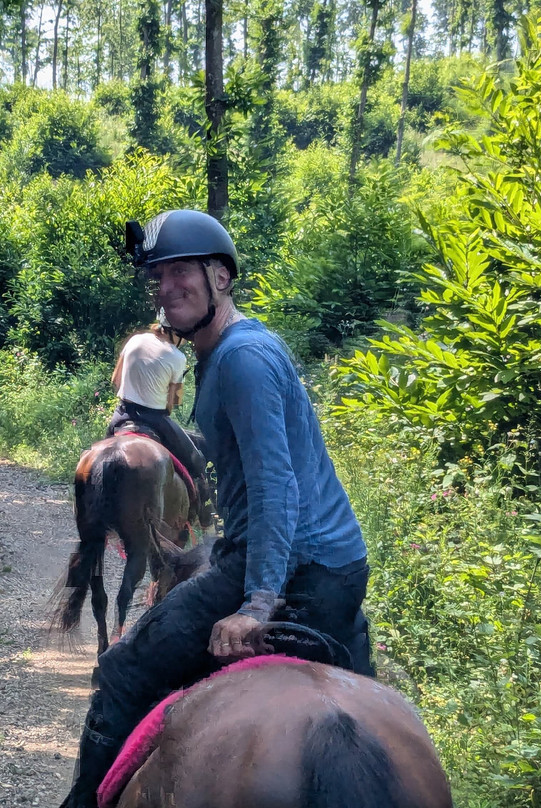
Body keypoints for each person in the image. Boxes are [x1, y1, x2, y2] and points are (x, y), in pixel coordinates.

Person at [59, 209, 374, 808]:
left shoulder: (241, 359)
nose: (166, 286)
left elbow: (275, 483)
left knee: (123, 671)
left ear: (221, 277)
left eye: (182, 271)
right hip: (334, 565)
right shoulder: (235, 348)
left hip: (290, 568)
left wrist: (258, 603)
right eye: (157, 276)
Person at [107, 321, 207, 491]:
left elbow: (115, 379)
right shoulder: (177, 357)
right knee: (196, 462)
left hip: (122, 414)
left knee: (103, 458)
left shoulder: (135, 340)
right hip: (155, 419)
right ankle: (202, 505)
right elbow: (174, 401)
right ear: (178, 333)